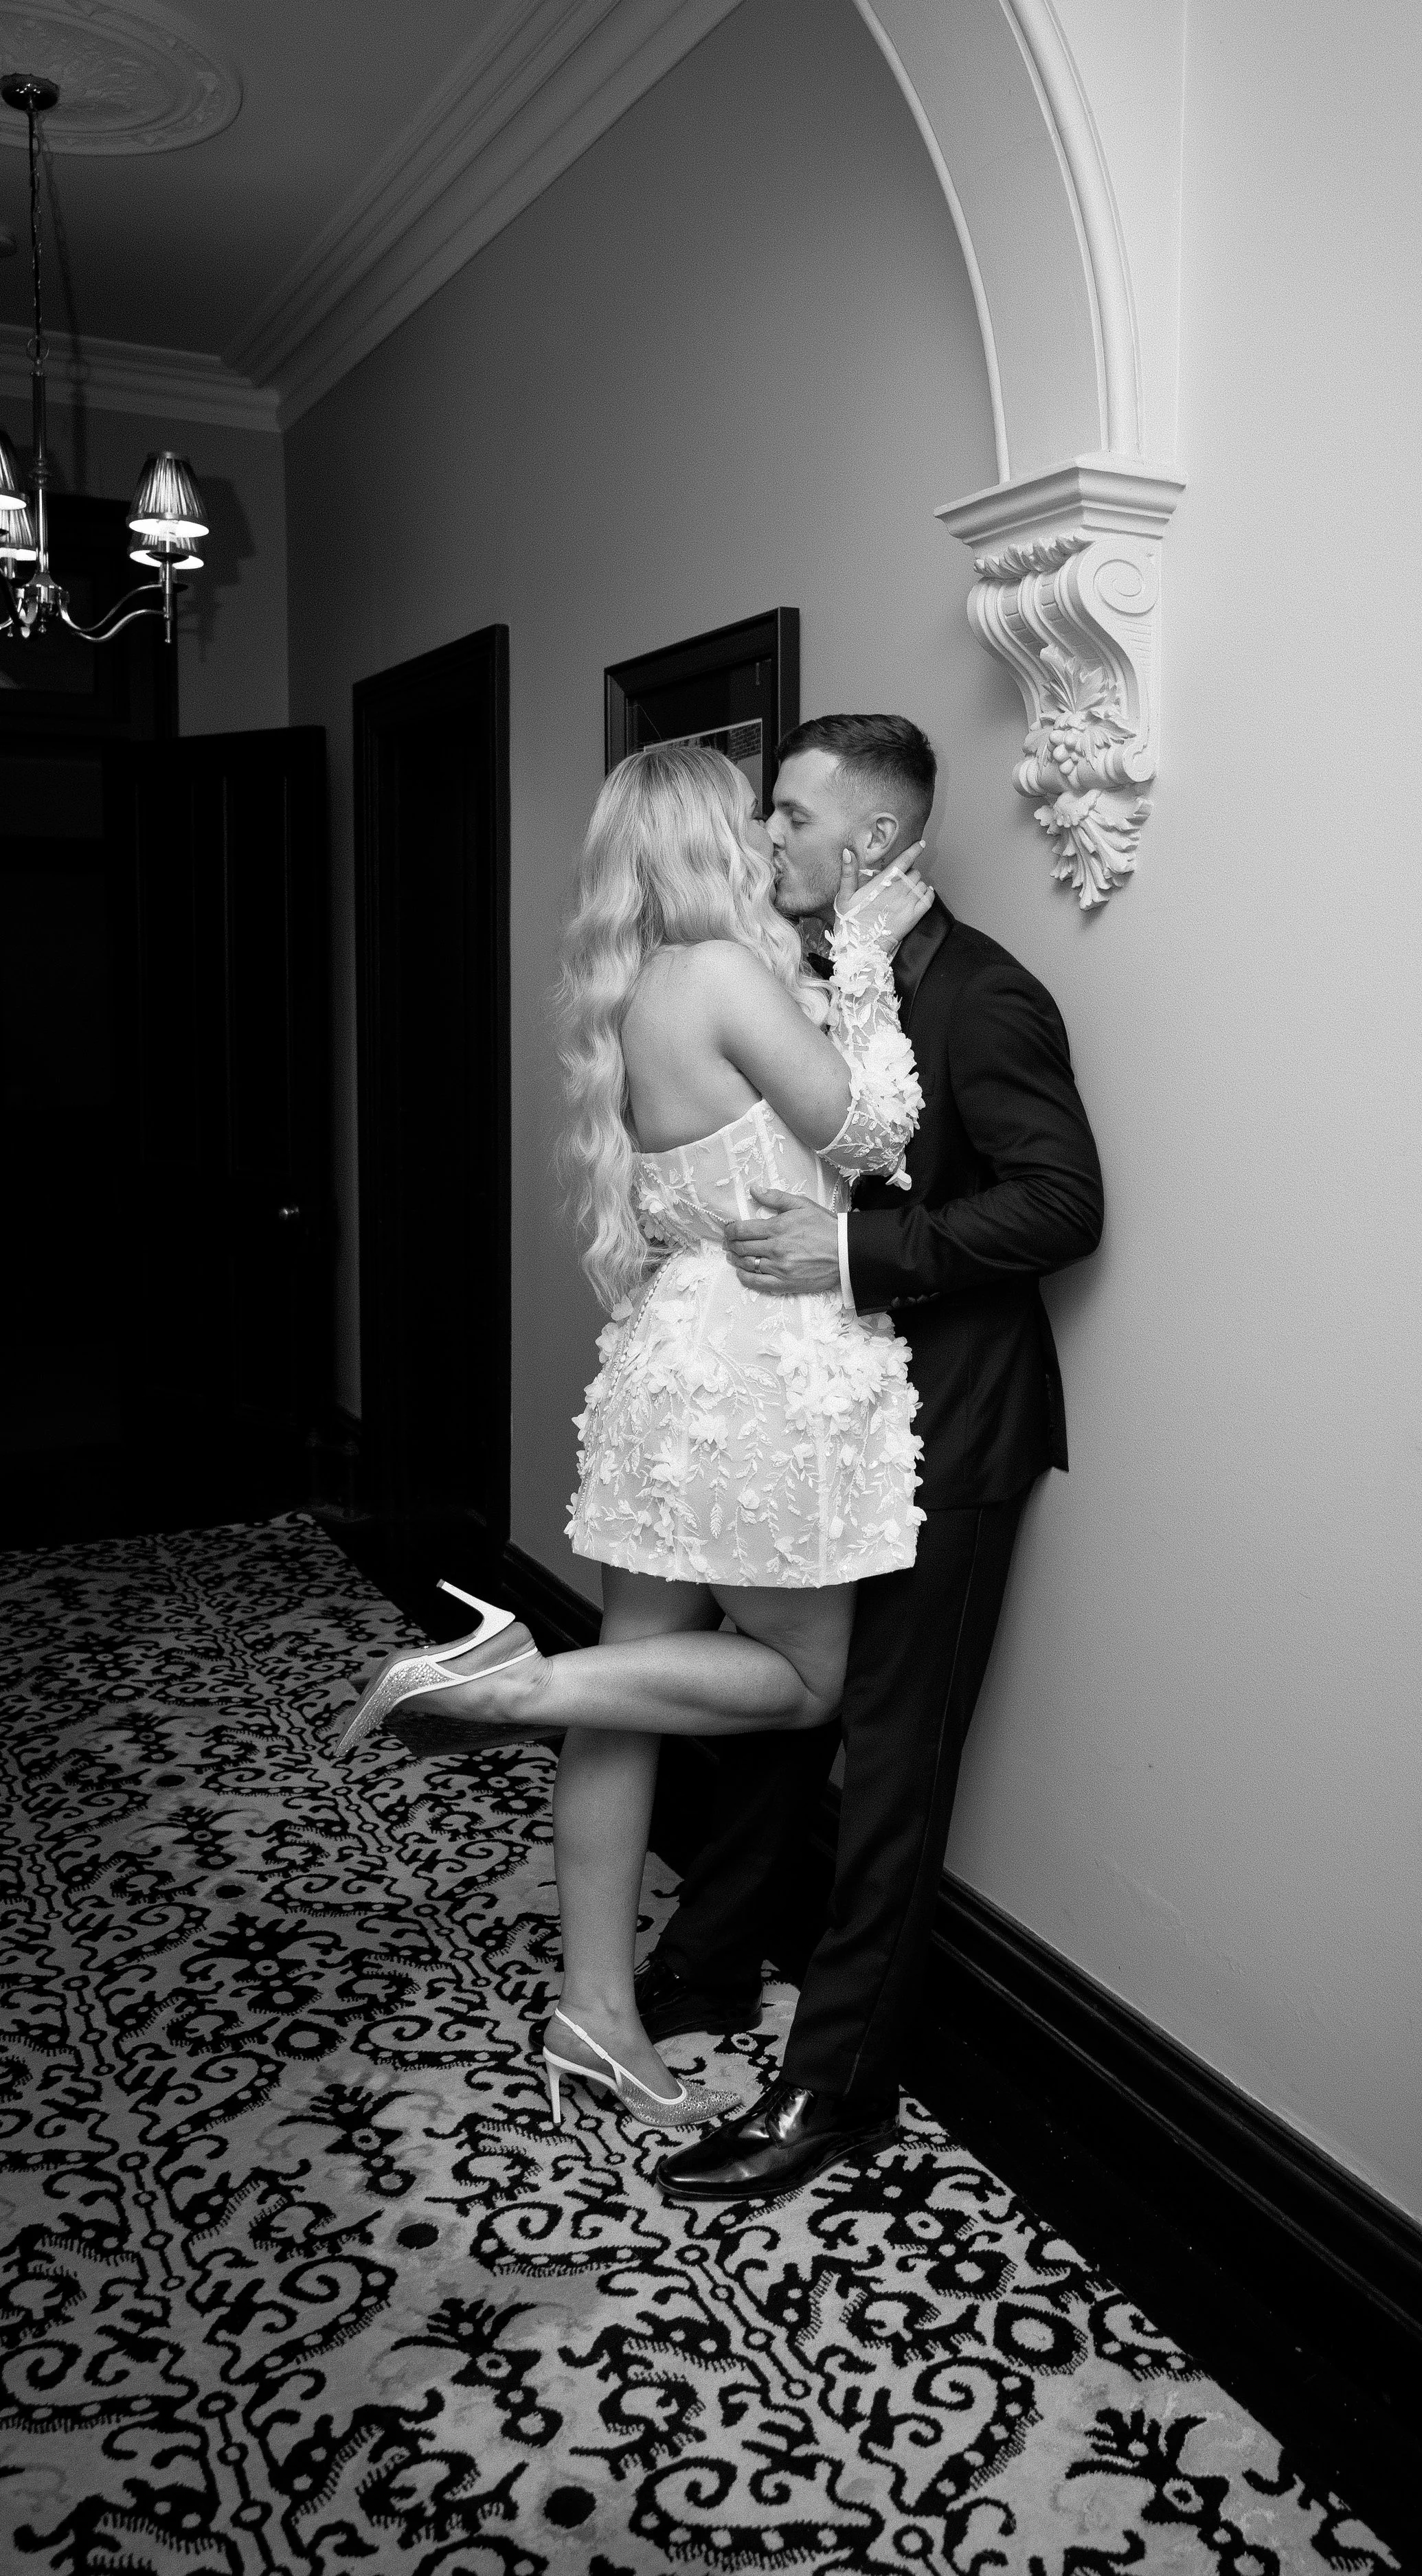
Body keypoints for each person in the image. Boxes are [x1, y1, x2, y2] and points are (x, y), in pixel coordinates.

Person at [335, 741, 934, 2129]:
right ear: (704, 843)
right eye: (758, 818)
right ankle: (499, 1687)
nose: (776, 836)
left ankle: (592, 2013)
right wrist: (868, 951)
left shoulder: (648, 984)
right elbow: (877, 1134)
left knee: (639, 1686)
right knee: (802, 1683)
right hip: (754, 1367)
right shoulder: (724, 974)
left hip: (672, 1359)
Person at [642, 712, 1105, 2204]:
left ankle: (829, 2088)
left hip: (948, 1437)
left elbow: (1060, 1207)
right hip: (814, 1427)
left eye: (786, 816)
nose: (762, 839)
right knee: (782, 1699)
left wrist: (851, 1252)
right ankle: (706, 1966)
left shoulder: (980, 996)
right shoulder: (791, 979)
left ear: (876, 842)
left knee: (890, 1764)